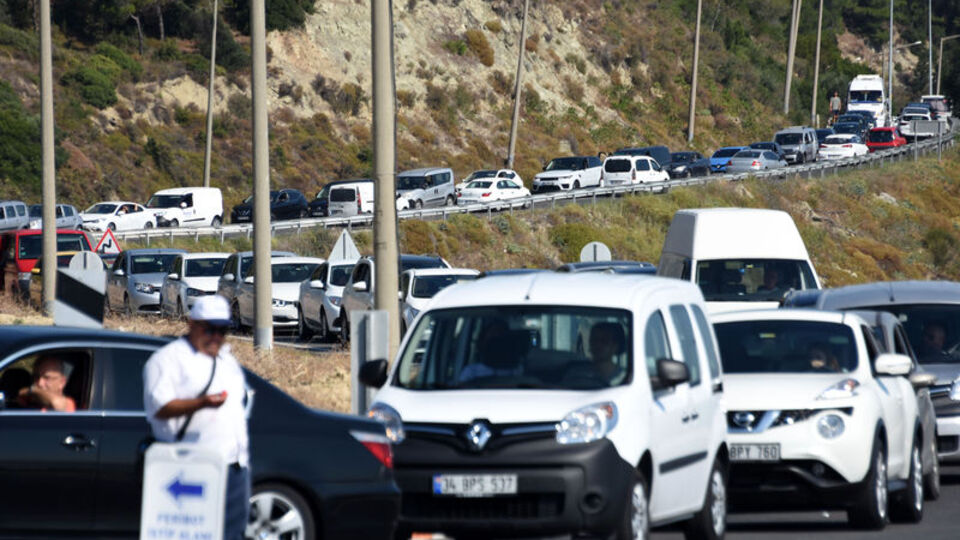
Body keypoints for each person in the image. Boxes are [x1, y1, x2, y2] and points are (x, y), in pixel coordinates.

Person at [143, 295, 249, 540]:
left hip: (233, 466)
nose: (216, 337)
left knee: (231, 534)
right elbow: (159, 407)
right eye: (209, 329)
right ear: (192, 324)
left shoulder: (226, 361)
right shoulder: (168, 360)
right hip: (191, 466)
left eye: (222, 331)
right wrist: (201, 403)